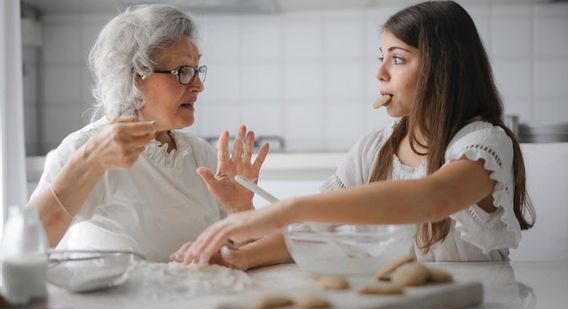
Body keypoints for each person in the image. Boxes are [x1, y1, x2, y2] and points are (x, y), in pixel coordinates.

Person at [172, 0, 536, 267]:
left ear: (443, 69)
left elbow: (436, 197)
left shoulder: (484, 144)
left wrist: (290, 208)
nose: (380, 73)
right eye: (380, 57)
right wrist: (241, 256)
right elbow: (316, 230)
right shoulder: (373, 149)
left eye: (397, 58)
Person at [27, 4, 268, 262]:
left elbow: (238, 254)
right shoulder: (86, 148)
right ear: (135, 76)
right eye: (183, 72)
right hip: (115, 302)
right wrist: (89, 163)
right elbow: (26, 245)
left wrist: (240, 210)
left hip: (198, 301)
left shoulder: (200, 155)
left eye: (197, 70)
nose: (199, 85)